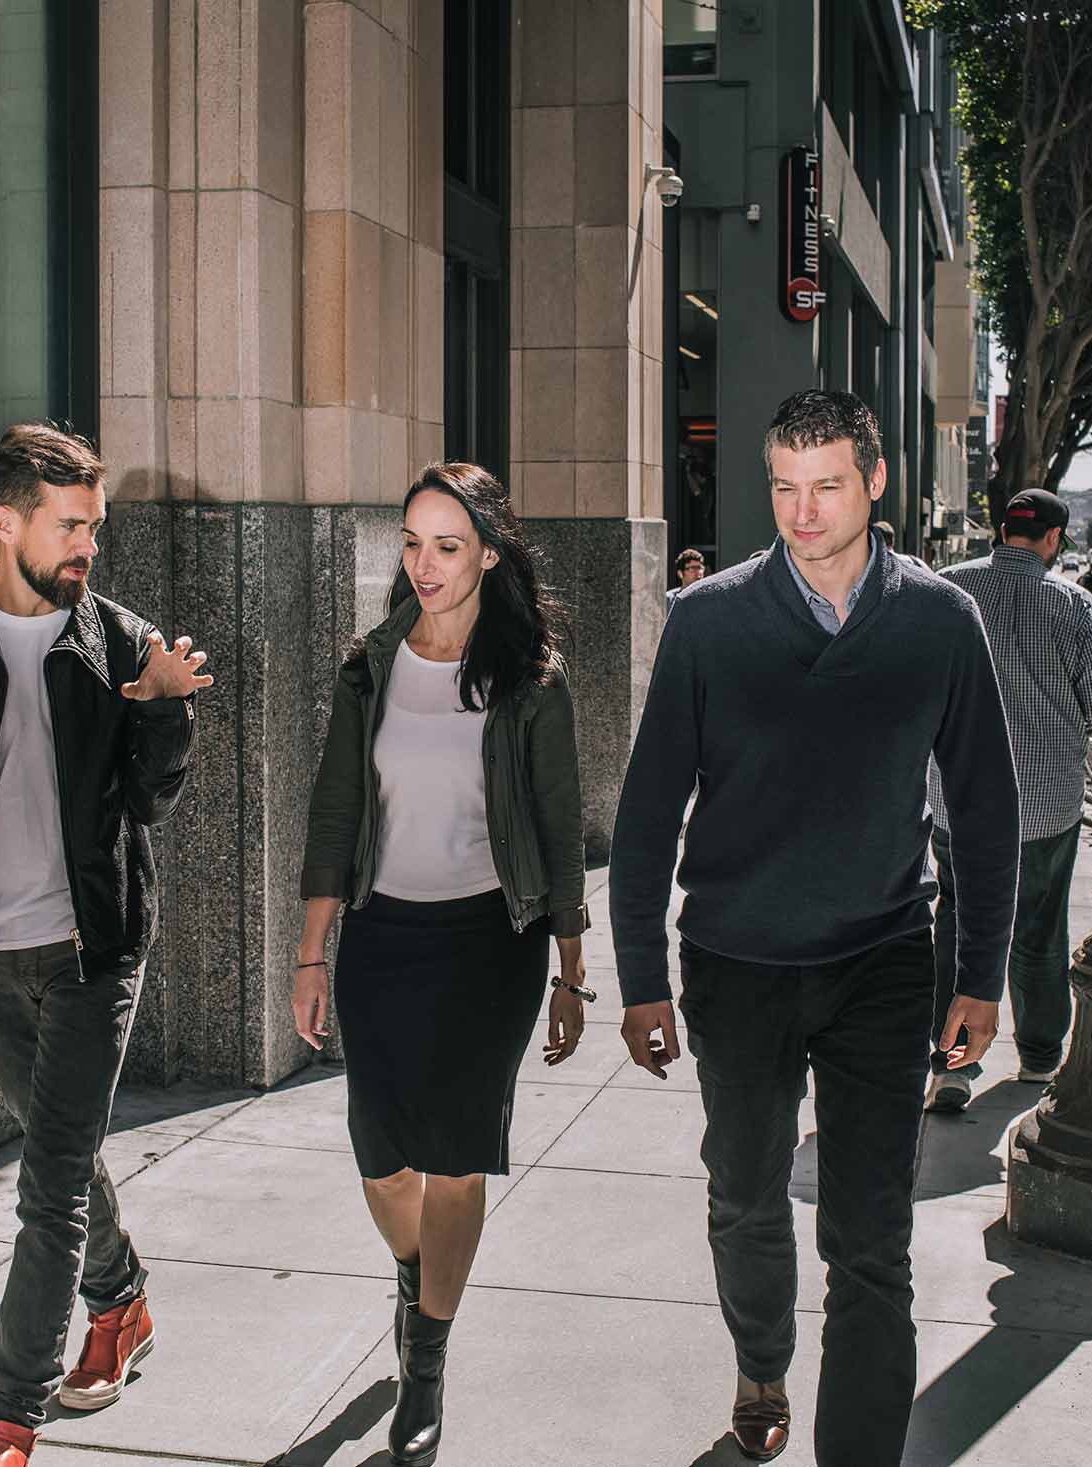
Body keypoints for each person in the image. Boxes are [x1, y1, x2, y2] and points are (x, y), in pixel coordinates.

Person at [609, 389, 1020, 1463]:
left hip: (883, 961)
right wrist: (641, 978)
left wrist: (981, 977)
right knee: (743, 1196)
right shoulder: (710, 620)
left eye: (826, 485)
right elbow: (649, 810)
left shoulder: (939, 620)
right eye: (784, 488)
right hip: (735, 965)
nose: (801, 512)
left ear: (875, 483)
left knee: (871, 1244)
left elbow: (984, 809)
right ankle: (759, 1362)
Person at [0, 424, 210, 1467]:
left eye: (94, 527)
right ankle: (121, 1304)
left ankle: (9, 1412)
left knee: (46, 1189)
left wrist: (164, 713)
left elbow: (147, 805)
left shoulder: (119, 645)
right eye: (68, 526)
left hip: (92, 948)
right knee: (60, 1159)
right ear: (5, 521)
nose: (86, 547)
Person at [292, 462, 591, 1466]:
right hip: (381, 939)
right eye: (411, 543)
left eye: (447, 545)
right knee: (383, 1163)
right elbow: (335, 812)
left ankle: (426, 1359)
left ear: (490, 555)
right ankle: (423, 1278)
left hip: (488, 946)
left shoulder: (529, 679)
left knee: (457, 1161)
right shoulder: (369, 665)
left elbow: (555, 826)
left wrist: (568, 965)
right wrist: (308, 953)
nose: (423, 564)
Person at [924, 488, 1092, 1113]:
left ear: (1002, 530)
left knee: (956, 924)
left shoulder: (946, 593)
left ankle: (951, 1066)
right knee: (1037, 928)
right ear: (1054, 539)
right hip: (1045, 805)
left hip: (956, 802)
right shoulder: (1076, 607)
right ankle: (1038, 1056)